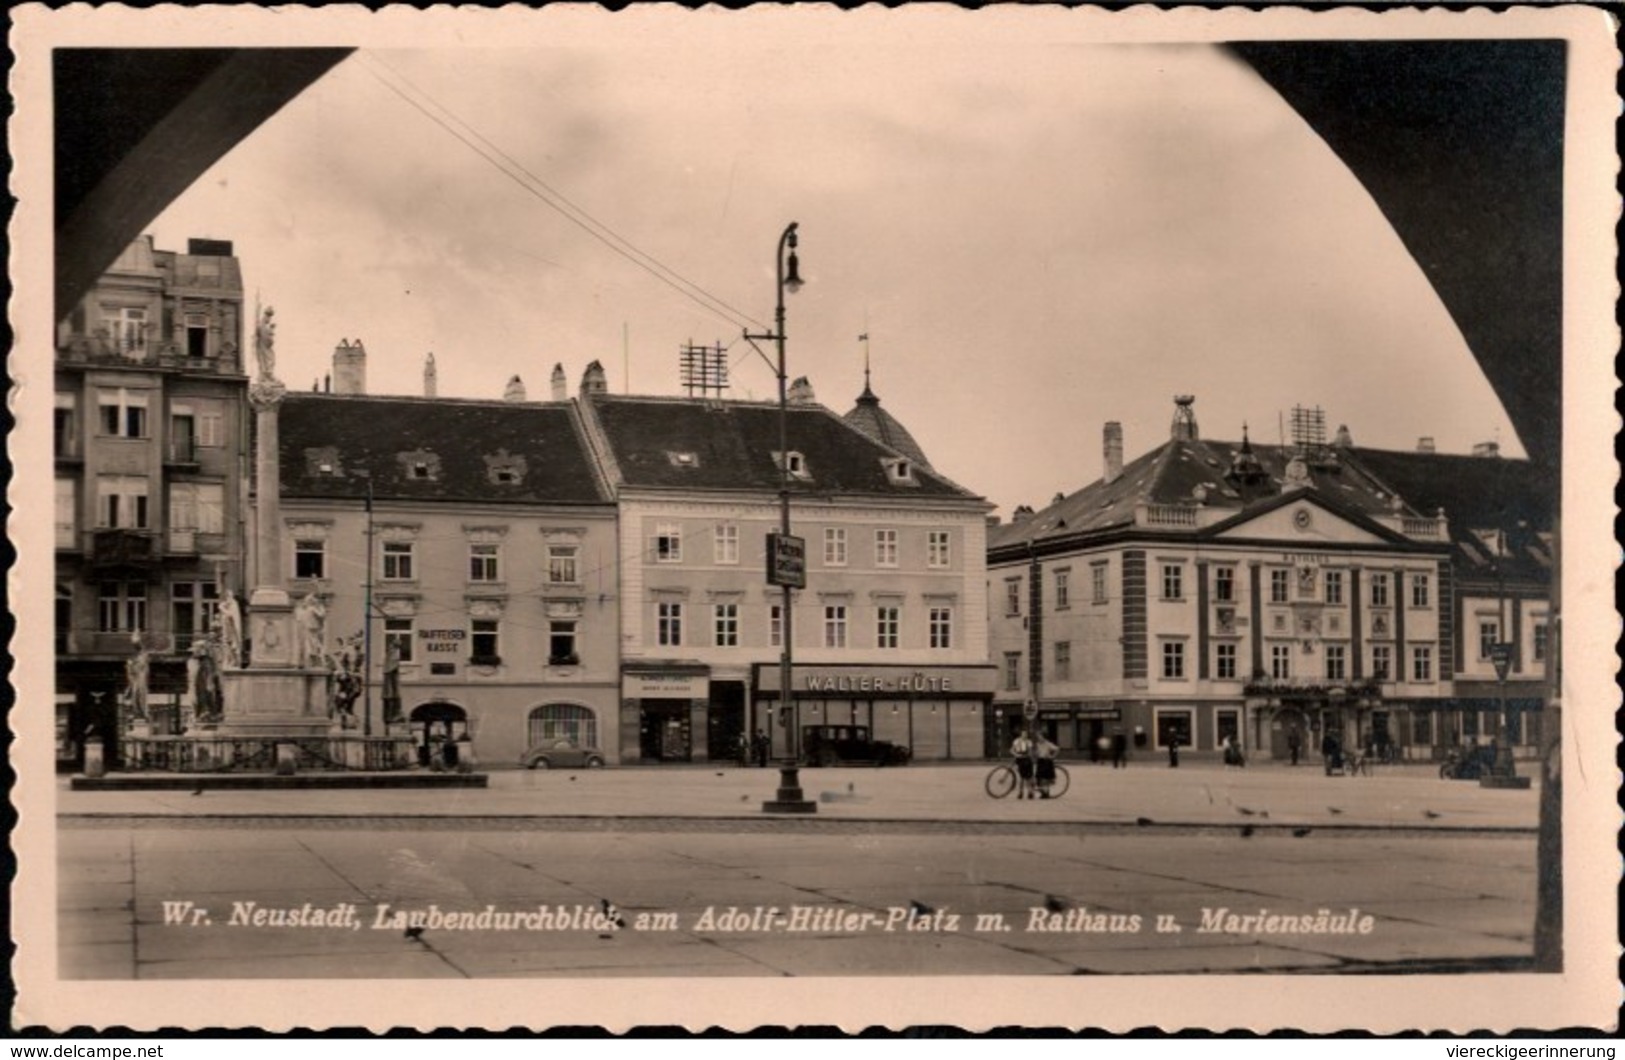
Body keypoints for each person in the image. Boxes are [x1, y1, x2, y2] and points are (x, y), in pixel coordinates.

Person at [1011, 729, 1036, 799]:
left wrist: (1028, 756)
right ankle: (1020, 792)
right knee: (1021, 777)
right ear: (1021, 734)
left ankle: (1030, 792)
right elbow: (1012, 750)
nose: (1024, 735)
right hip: (1019, 760)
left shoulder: (1029, 742)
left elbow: (1030, 752)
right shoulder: (1016, 741)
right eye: (1023, 734)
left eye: (1025, 734)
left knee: (1029, 777)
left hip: (1027, 759)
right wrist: (1016, 754)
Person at [1033, 732, 1060, 798]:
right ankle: (1043, 793)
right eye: (1038, 737)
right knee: (1039, 777)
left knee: (1045, 778)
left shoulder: (1048, 743)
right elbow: (1037, 752)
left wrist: (1053, 756)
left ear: (1043, 737)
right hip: (1040, 761)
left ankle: (1046, 793)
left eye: (1040, 736)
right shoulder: (1037, 744)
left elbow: (1057, 749)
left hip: (1046, 761)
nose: (1039, 738)